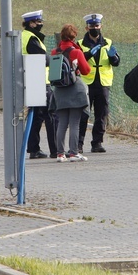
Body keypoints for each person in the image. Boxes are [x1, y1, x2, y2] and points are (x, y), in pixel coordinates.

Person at [77, 13, 120, 153]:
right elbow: (77, 62)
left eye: (97, 25)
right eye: (91, 26)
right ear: (86, 28)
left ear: (101, 26)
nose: (94, 28)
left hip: (103, 82)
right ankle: (79, 143)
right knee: (83, 114)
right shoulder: (80, 44)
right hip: (86, 82)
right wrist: (89, 53)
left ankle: (97, 142)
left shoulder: (108, 42)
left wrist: (113, 57)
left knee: (101, 114)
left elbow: (116, 62)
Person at [50, 24, 91, 162]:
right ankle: (73, 153)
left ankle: (60, 154)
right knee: (75, 123)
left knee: (62, 123)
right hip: (74, 89)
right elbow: (86, 71)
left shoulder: (54, 52)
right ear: (74, 36)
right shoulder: (76, 52)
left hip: (59, 90)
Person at [21, 10, 58, 159]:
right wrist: (52, 59)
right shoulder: (31, 39)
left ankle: (34, 149)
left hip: (31, 80)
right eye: (38, 22)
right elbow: (43, 59)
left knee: (36, 116)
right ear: (31, 23)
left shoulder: (26, 36)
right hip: (40, 82)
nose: (41, 24)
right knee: (51, 115)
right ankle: (56, 150)